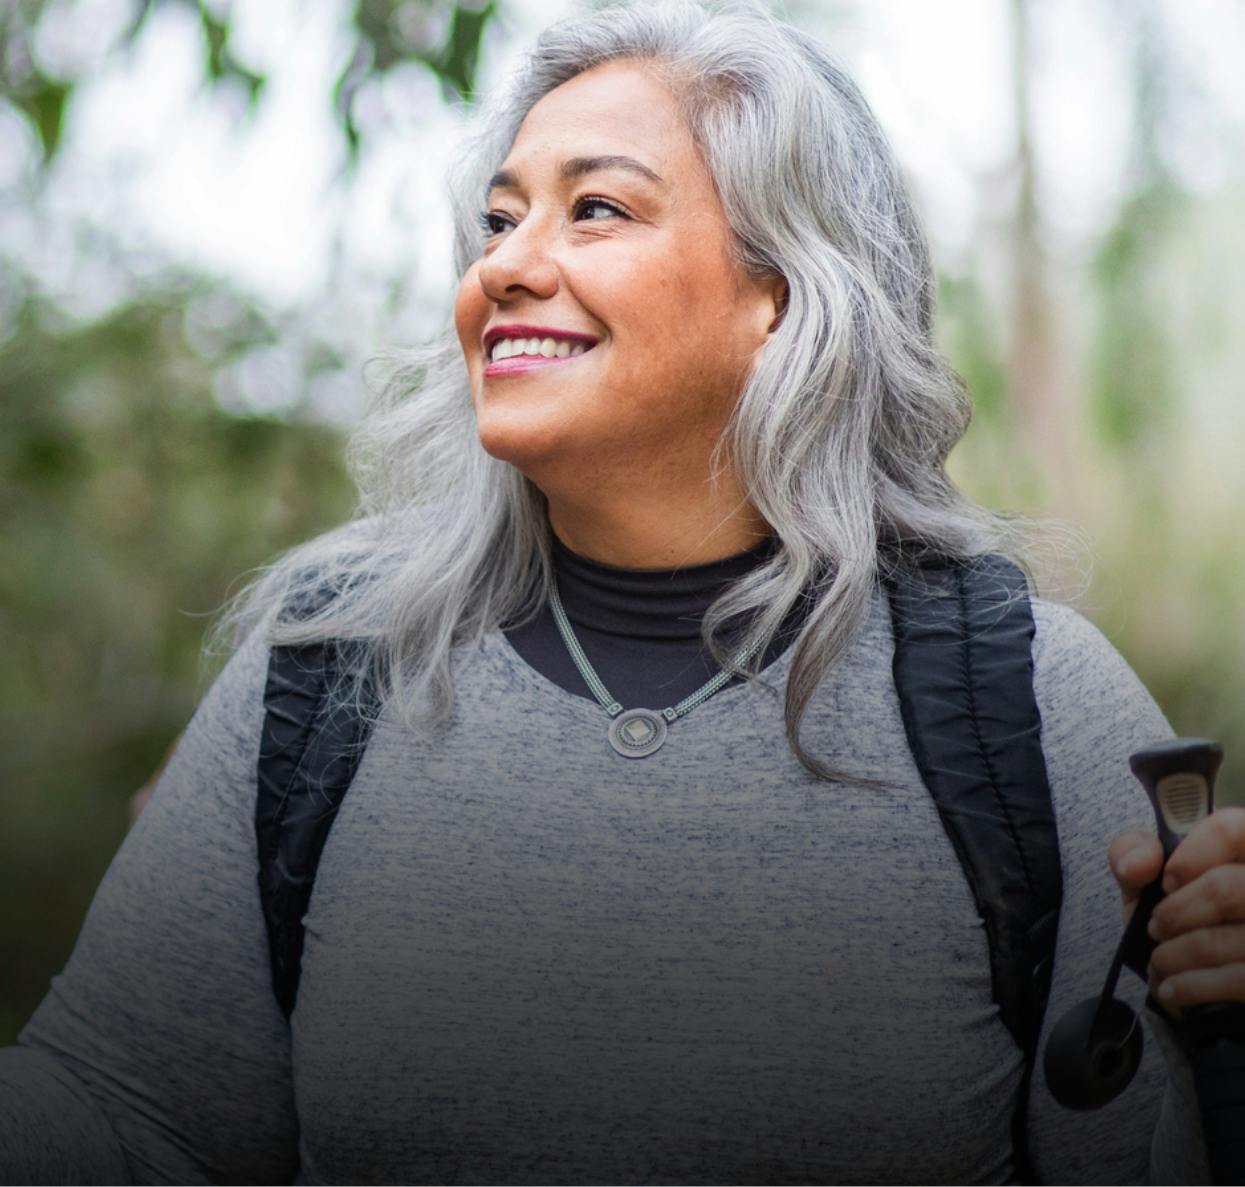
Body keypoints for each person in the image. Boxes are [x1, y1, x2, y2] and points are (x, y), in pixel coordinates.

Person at [1, 2, 1240, 1182]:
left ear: (780, 298)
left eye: (596, 209)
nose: (505, 265)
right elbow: (127, 1122)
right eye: (499, 220)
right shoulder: (332, 661)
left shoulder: (1026, 700)